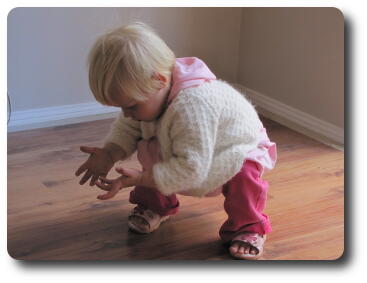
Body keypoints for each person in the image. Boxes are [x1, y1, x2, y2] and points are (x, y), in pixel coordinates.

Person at [75, 22, 277, 260]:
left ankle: (249, 226)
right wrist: (109, 154)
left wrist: (141, 178)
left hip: (233, 148)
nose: (126, 113)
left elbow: (192, 170)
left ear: (159, 81)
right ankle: (157, 205)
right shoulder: (152, 92)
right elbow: (128, 127)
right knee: (148, 146)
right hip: (193, 149)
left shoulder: (193, 106)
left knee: (244, 174)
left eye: (130, 106)